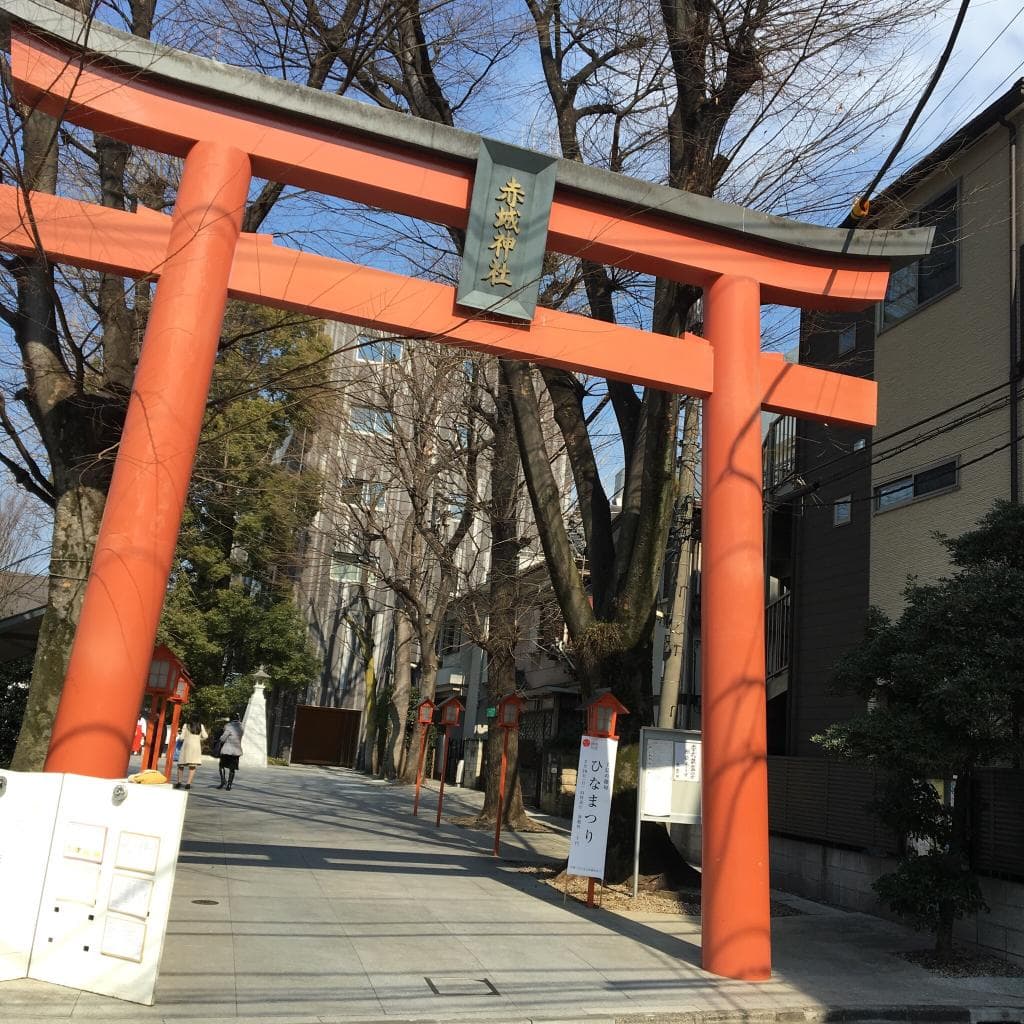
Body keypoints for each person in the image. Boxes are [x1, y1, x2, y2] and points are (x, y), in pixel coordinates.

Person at [174, 716, 207, 790]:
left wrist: (179, 737)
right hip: (196, 747)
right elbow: (205, 736)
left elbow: (182, 737)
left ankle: (179, 782)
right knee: (192, 765)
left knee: (181, 765)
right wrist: (199, 739)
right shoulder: (201, 726)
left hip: (186, 746)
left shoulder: (186, 725)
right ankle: (188, 784)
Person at [217, 713, 244, 791]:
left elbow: (223, 738)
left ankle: (223, 781)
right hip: (236, 750)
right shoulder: (241, 727)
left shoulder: (228, 726)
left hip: (227, 750)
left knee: (221, 765)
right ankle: (229, 785)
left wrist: (220, 738)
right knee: (232, 768)